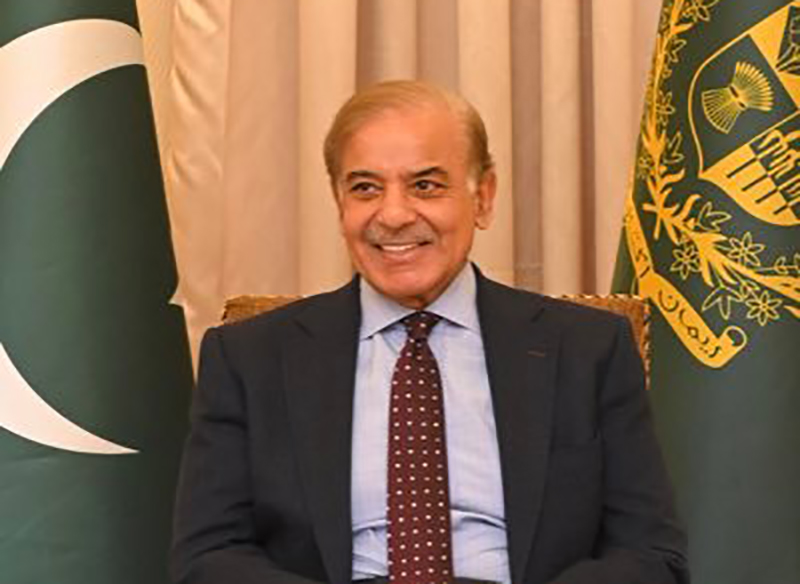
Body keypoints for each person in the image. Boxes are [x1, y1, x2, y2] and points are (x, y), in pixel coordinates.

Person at [171, 80, 689, 584]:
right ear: (339, 202)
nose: (394, 215)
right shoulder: (250, 358)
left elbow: (649, 555)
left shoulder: (587, 349)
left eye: (425, 185)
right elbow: (209, 557)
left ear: (483, 197)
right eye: (365, 188)